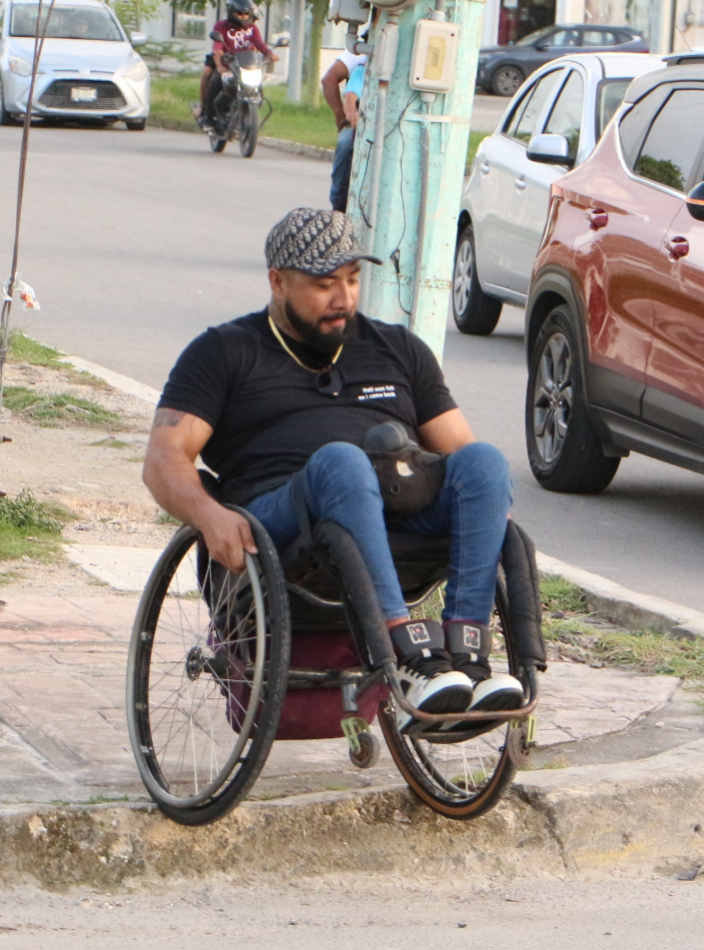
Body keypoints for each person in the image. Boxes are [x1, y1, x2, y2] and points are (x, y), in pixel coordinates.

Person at [143, 209, 522, 729]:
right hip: (285, 522)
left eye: (352, 279)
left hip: (394, 510)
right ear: (278, 281)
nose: (343, 298)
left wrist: (486, 500)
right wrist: (208, 517)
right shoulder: (224, 352)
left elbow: (461, 456)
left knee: (484, 462)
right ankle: (407, 659)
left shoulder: (398, 349)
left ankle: (468, 657)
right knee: (343, 462)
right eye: (324, 284)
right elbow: (164, 456)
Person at [197, 0, 273, 130]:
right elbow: (217, 47)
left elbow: (259, 43)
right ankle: (207, 115)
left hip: (244, 62)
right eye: (239, 13)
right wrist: (219, 64)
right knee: (212, 77)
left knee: (257, 86)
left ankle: (248, 115)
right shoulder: (221, 26)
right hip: (225, 60)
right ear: (231, 12)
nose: (243, 16)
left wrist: (269, 53)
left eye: (246, 14)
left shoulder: (252, 29)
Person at [322, 35, 368, 212]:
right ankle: (338, 205)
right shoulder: (361, 57)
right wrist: (344, 116)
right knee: (345, 143)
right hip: (361, 122)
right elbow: (332, 82)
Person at [329, 61, 365, 212]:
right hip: (362, 124)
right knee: (345, 143)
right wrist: (352, 112)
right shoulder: (362, 70)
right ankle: (338, 201)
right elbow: (350, 96)